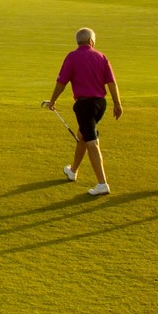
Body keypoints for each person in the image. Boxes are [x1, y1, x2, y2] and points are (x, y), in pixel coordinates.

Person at [44, 27, 122, 195]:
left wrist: (53, 100)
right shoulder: (101, 56)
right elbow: (111, 83)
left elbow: (61, 82)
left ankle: (102, 183)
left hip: (84, 105)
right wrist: (117, 104)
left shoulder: (72, 57)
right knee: (83, 135)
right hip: (100, 104)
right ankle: (72, 170)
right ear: (91, 42)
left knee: (91, 142)